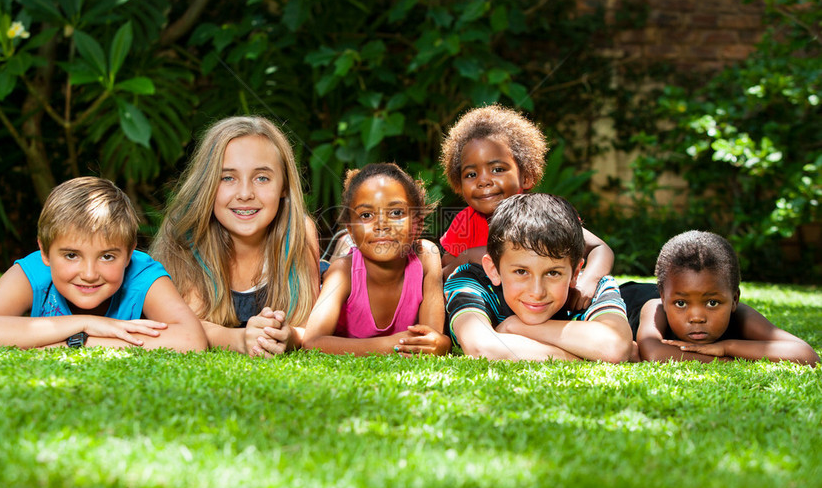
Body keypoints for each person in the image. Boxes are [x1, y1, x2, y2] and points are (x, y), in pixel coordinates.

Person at [0, 177, 207, 352]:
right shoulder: (34, 271)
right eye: (71, 256)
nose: (89, 274)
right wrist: (86, 323)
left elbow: (190, 339)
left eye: (107, 257)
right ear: (45, 252)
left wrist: (77, 341)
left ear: (129, 254)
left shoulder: (142, 274)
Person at [150, 116, 320, 356]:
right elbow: (186, 326)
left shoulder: (300, 232)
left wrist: (288, 335)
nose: (245, 193)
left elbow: (310, 327)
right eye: (227, 178)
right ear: (207, 183)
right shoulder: (186, 233)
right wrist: (239, 339)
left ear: (284, 185)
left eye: (262, 178)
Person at [439, 104, 613, 310]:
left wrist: (588, 281)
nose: (483, 181)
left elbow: (601, 249)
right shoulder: (464, 222)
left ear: (526, 175)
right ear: (458, 184)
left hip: (545, 305)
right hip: (489, 308)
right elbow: (444, 274)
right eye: (471, 174)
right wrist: (469, 257)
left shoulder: (542, 214)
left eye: (497, 169)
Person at [444, 193, 634, 362]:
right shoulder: (470, 280)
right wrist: (582, 356)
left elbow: (614, 346)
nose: (537, 292)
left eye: (553, 273)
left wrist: (514, 327)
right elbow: (481, 348)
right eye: (521, 272)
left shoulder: (593, 287)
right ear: (493, 269)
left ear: (575, 273)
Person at [302, 163, 449, 356]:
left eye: (396, 213)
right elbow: (312, 341)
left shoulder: (425, 257)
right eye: (366, 215)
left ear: (417, 225)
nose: (382, 225)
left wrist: (442, 343)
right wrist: (389, 345)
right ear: (351, 231)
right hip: (342, 269)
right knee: (334, 266)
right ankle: (340, 247)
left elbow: (432, 337)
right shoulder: (342, 273)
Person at [622, 231, 819, 365]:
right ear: (664, 298)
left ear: (734, 299)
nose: (697, 317)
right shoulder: (655, 307)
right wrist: (723, 361)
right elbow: (654, 353)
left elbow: (806, 354)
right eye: (681, 303)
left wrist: (726, 347)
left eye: (712, 303)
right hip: (627, 296)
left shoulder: (741, 315)